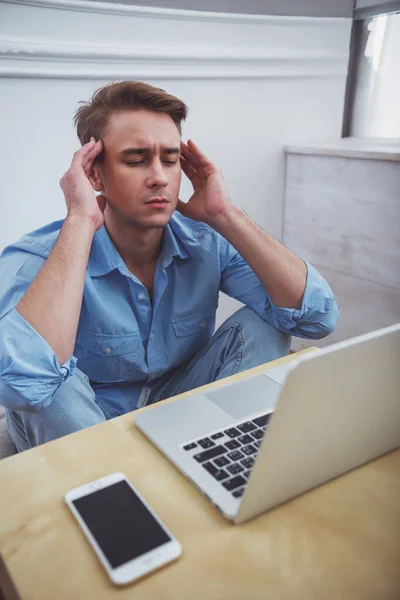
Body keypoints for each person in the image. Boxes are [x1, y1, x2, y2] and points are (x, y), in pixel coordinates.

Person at [0, 81, 339, 452]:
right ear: (94, 175)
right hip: (89, 422)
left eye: (170, 159)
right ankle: (120, 488)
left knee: (270, 320)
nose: (160, 177)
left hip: (179, 407)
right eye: (136, 159)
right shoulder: (38, 256)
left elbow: (317, 319)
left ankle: (227, 457)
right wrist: (80, 219)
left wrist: (225, 214)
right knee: (50, 380)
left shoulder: (205, 240)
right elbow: (23, 385)